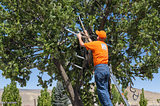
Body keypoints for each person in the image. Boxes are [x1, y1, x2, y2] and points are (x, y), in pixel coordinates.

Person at [77, 30, 113, 106]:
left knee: (102, 92)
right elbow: (92, 43)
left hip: (100, 69)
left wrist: (79, 37)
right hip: (106, 69)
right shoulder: (104, 45)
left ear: (99, 37)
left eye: (97, 35)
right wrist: (87, 35)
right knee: (103, 92)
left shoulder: (96, 44)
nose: (96, 36)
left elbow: (82, 44)